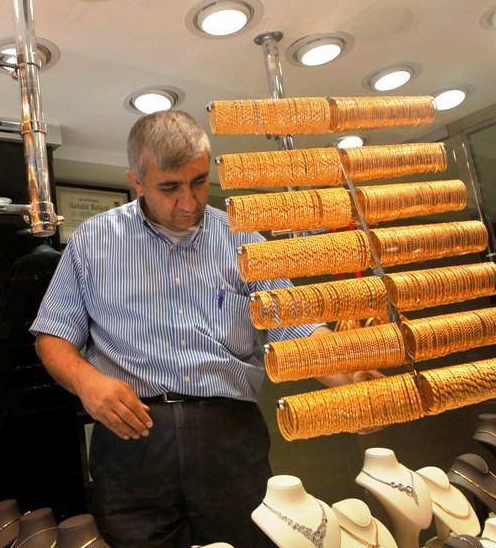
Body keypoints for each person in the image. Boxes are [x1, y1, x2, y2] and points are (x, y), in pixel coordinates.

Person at [31, 110, 369, 548]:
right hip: (133, 435)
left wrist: (352, 381)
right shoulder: (91, 242)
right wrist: (88, 383)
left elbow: (297, 330)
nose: (188, 202)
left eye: (198, 181)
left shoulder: (244, 240)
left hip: (230, 434)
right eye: (169, 187)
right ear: (137, 181)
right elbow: (51, 337)